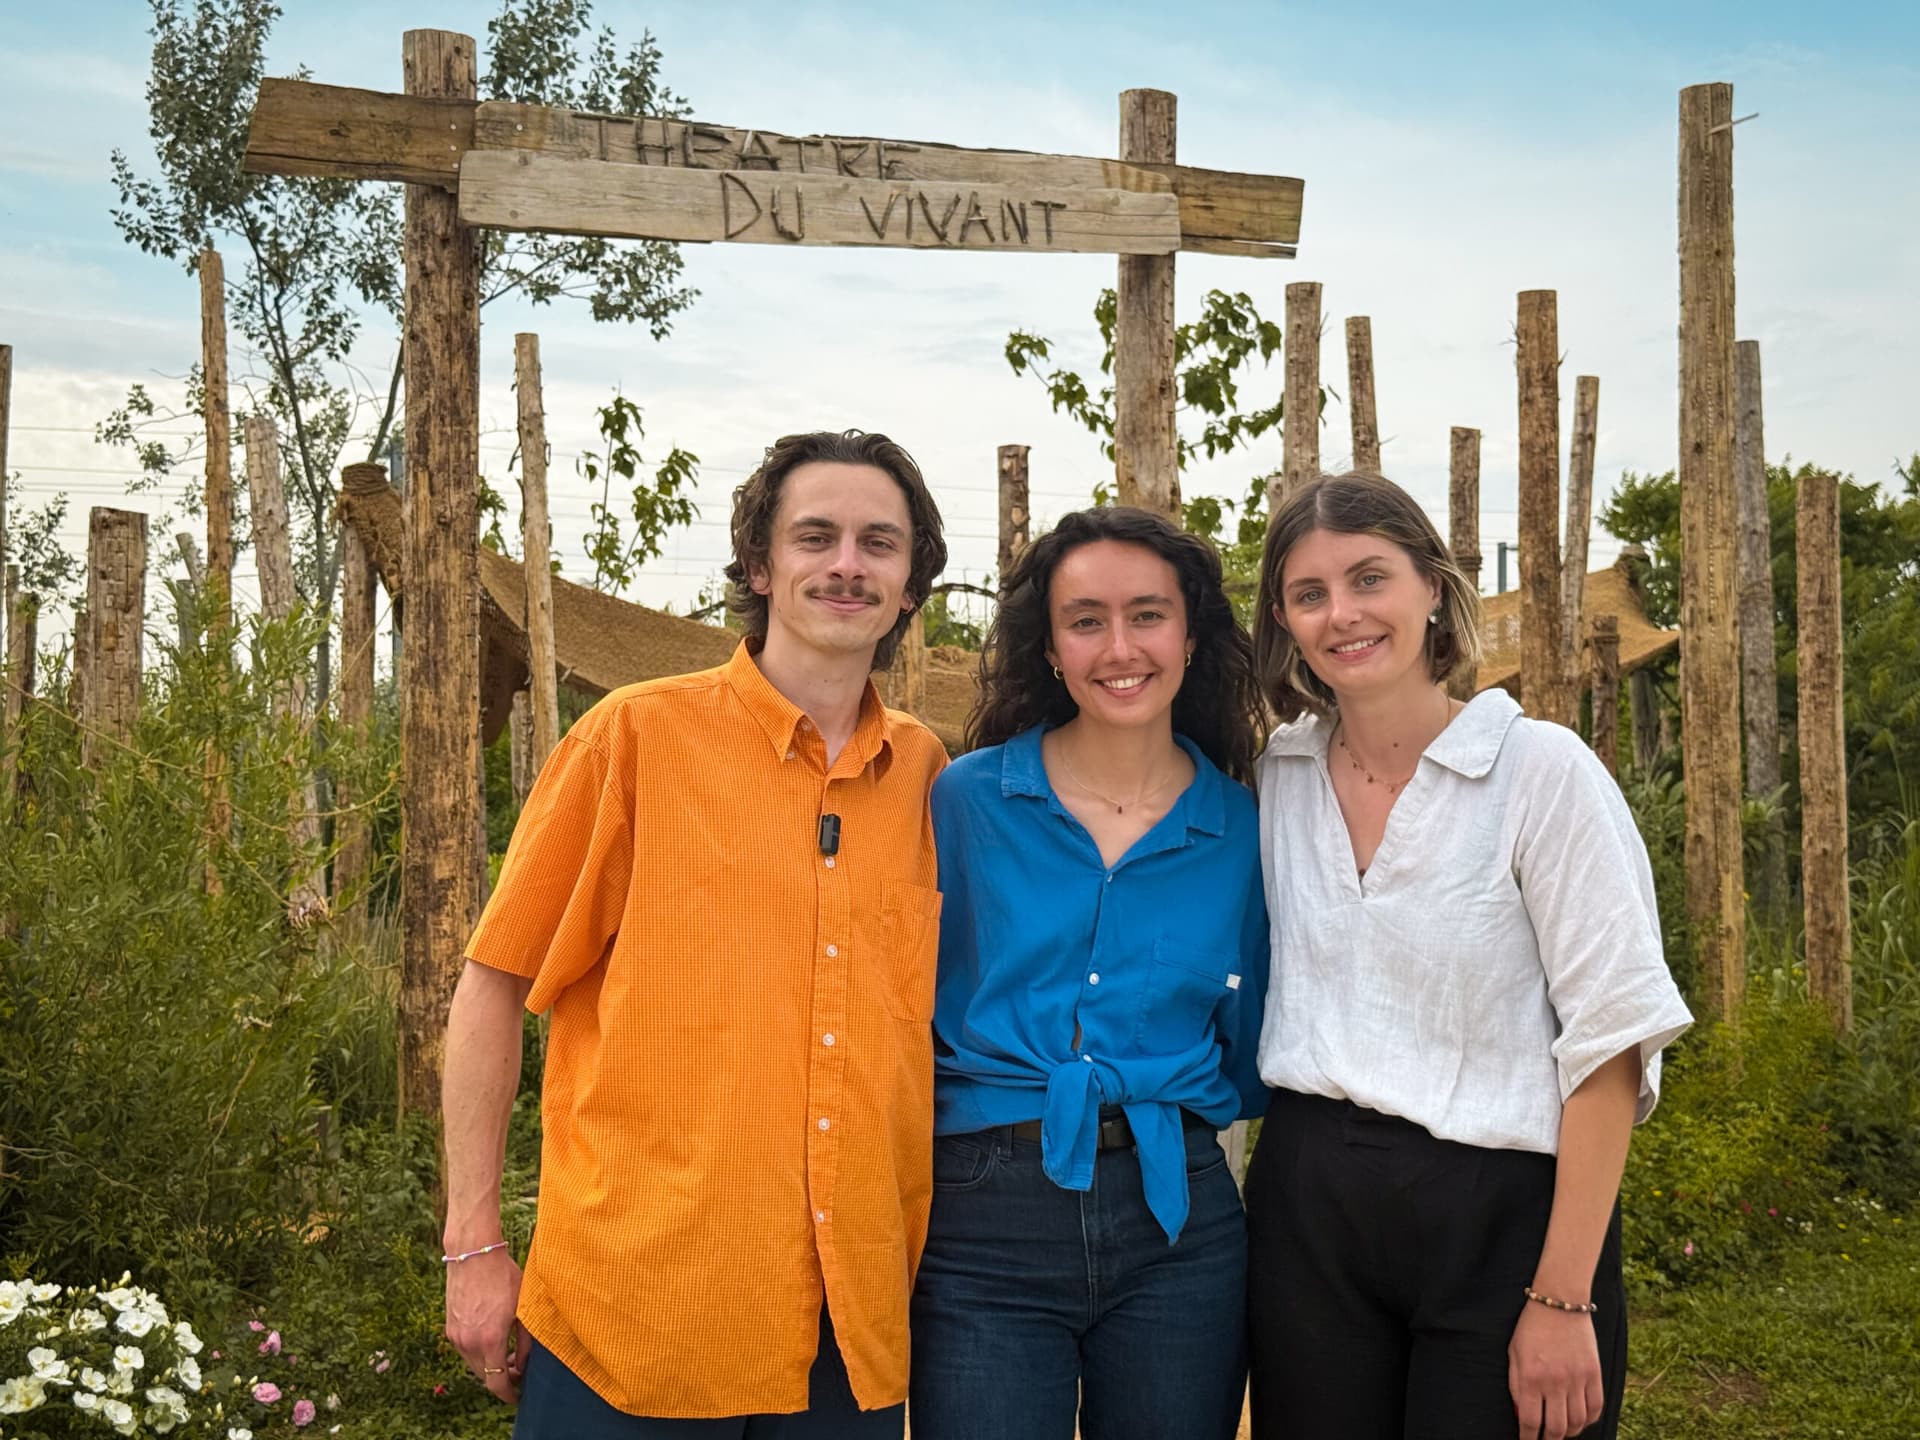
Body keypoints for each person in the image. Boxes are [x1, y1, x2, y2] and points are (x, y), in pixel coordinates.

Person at [440, 431, 950, 1438]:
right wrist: (474, 1247)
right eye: (816, 536)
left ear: (910, 586)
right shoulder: (633, 740)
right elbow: (493, 985)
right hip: (636, 1320)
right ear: (760, 566)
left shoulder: (931, 778)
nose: (847, 563)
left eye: (879, 544)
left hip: (844, 1338)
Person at [1244, 472, 1693, 1440]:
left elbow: (1611, 1042)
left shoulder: (1541, 773)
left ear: (1434, 589)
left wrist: (1563, 1296)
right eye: (1309, 594)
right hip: (1310, 1202)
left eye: (1370, 579)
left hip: (1499, 1213)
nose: (1343, 615)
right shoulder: (1274, 778)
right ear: (1282, 619)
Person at [908, 506, 1271, 1440]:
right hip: (984, 1209)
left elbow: (1250, 1041)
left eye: (1148, 614)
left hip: (1178, 1217)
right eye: (1086, 620)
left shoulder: (1242, 824)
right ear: (1051, 649)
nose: (1121, 646)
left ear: (1192, 635)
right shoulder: (965, 799)